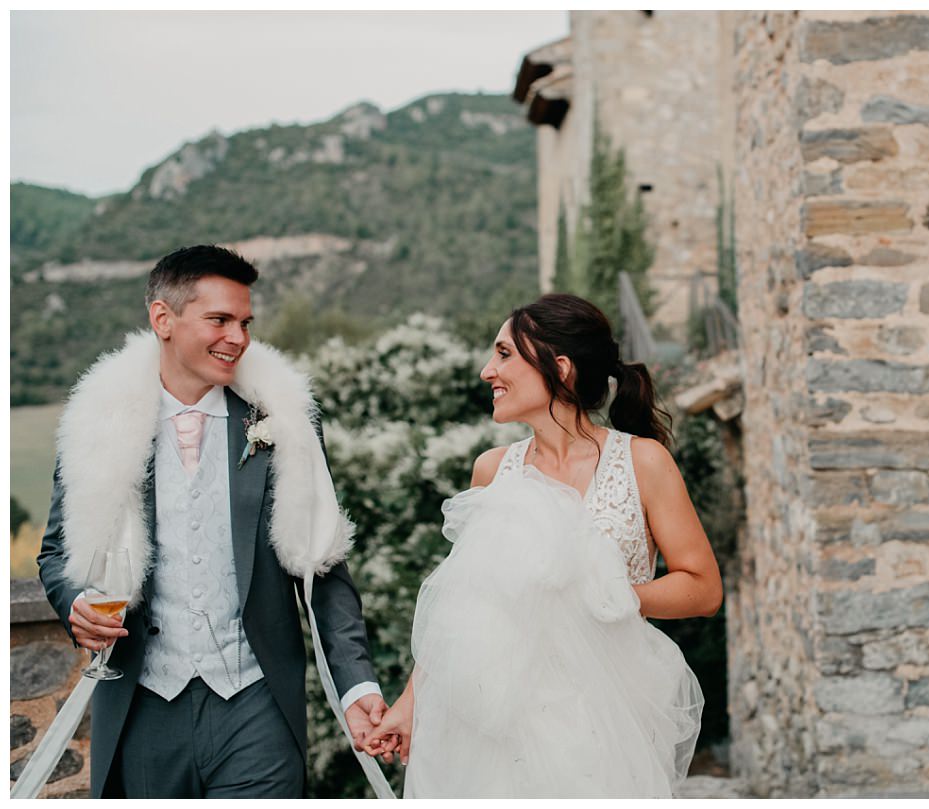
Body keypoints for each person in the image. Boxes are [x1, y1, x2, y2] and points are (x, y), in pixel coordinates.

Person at [37, 245, 386, 797]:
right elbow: (57, 553)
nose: (238, 337)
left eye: (245, 322)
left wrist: (356, 685)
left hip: (256, 707)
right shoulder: (100, 426)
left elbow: (323, 564)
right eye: (219, 320)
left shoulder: (282, 422)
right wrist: (75, 603)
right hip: (142, 708)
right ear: (163, 319)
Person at [365, 293, 723, 797]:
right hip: (497, 721)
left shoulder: (642, 462)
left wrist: (616, 596)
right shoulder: (492, 470)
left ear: (560, 368)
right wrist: (408, 706)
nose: (489, 370)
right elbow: (463, 611)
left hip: (605, 716)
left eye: (505, 353)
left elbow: (703, 588)